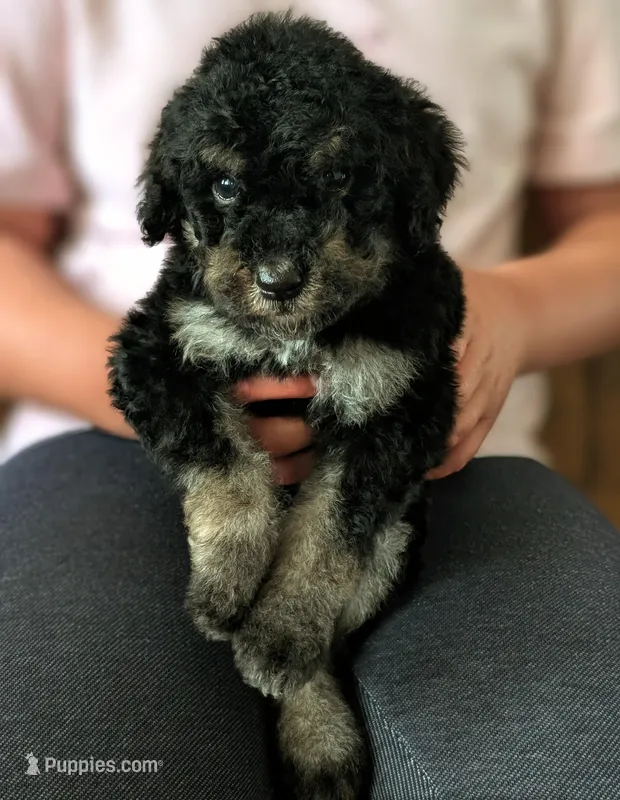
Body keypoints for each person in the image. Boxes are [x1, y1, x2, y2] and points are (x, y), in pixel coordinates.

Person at [1, 1, 619, 797]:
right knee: (62, 768)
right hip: (101, 441)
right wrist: (183, 403)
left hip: (464, 454)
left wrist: (518, 313)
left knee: (574, 762)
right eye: (220, 184)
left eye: (334, 179)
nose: (279, 269)